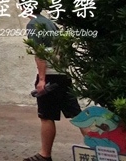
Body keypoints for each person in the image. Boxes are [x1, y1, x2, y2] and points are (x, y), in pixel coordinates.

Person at [25, 9, 80, 161]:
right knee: (78, 115)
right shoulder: (51, 23)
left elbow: (40, 53)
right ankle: (101, 149)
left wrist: (42, 80)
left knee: (47, 116)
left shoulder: (33, 24)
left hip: (49, 75)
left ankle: (45, 154)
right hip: (62, 74)